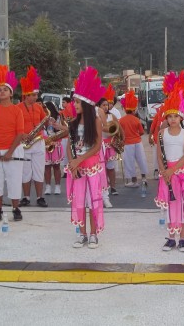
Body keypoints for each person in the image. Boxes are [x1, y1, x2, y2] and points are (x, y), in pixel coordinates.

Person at [66, 67, 106, 249]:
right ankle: (82, 234)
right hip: (78, 168)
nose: (74, 105)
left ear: (86, 104)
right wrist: (72, 164)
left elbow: (97, 146)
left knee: (93, 202)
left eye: (77, 102)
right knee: (79, 201)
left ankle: (93, 234)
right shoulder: (73, 124)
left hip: (92, 167)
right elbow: (70, 146)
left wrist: (79, 160)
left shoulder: (96, 121)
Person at [155, 89, 184, 251]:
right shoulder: (161, 133)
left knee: (183, 205)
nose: (173, 119)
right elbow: (159, 155)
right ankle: (171, 237)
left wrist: (173, 170)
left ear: (181, 117)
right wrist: (164, 171)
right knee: (170, 205)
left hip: (181, 173)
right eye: (170, 116)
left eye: (176, 116)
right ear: (166, 118)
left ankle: (183, 239)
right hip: (166, 174)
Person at [0, 65, 25, 222]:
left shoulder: (17, 111)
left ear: (11, 93)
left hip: (14, 151)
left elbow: (20, 133)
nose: (1, 92)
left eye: (5, 90)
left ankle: (16, 208)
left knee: (14, 180)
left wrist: (10, 152)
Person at [19, 66, 48, 208]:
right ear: (26, 95)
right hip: (24, 143)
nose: (36, 98)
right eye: (33, 95)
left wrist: (48, 122)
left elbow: (45, 121)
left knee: (38, 171)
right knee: (25, 172)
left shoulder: (38, 107)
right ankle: (25, 197)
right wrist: (22, 135)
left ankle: (40, 197)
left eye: (36, 95)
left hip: (38, 142)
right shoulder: (17, 108)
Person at [119, 90, 148, 188]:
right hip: (138, 142)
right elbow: (142, 132)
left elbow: (119, 133)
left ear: (125, 109)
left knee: (129, 162)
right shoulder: (137, 120)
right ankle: (144, 178)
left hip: (127, 143)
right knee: (141, 160)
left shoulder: (121, 121)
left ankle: (134, 181)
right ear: (133, 109)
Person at [44, 101, 65, 196]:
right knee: (47, 167)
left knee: (56, 166)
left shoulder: (59, 117)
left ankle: (57, 186)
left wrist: (56, 125)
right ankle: (47, 186)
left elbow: (65, 128)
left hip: (56, 143)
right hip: (46, 143)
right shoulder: (43, 118)